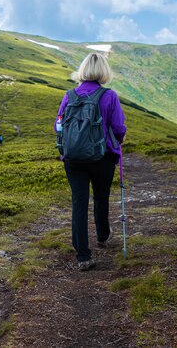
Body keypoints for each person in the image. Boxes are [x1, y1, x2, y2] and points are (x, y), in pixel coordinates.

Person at [55, 53, 126, 271]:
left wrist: (70, 143)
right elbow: (119, 128)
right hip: (101, 156)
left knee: (79, 202)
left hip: (73, 158)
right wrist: (116, 142)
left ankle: (83, 255)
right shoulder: (109, 96)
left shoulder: (70, 95)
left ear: (83, 69)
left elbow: (58, 125)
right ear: (104, 71)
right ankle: (103, 236)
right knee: (101, 196)